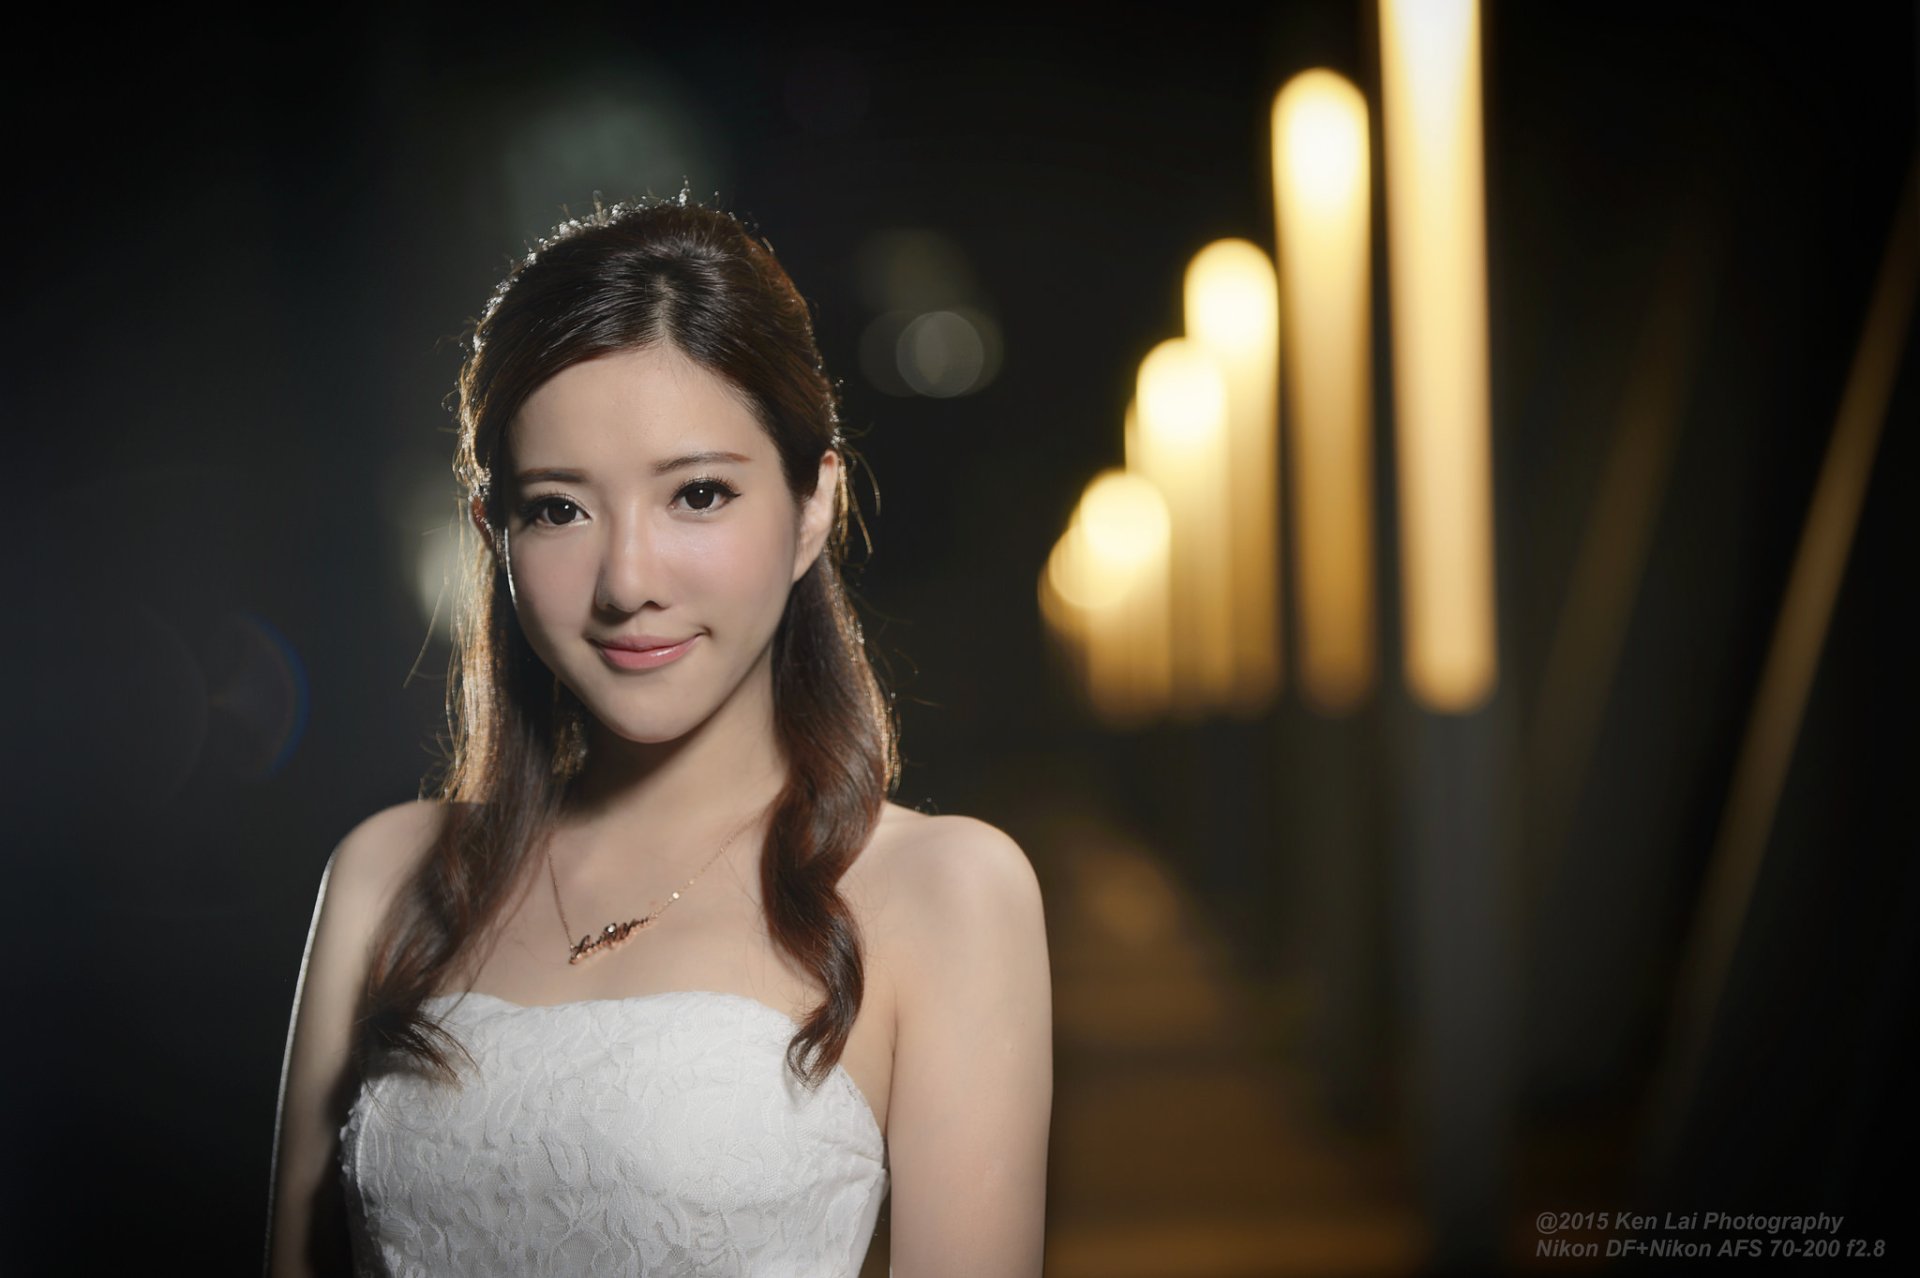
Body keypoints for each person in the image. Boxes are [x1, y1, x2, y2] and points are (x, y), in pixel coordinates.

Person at [266, 197, 1053, 1277]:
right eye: (560, 509)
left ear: (813, 504)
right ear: (493, 533)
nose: (628, 582)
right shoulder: (384, 875)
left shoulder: (946, 891)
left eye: (697, 494)